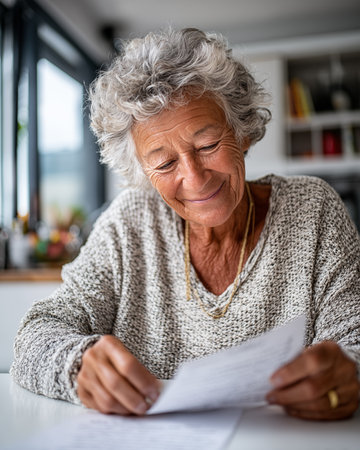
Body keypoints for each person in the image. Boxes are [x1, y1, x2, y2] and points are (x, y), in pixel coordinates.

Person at [11, 28, 359, 421]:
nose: (195, 178)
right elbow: (37, 333)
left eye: (208, 145)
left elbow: (355, 340)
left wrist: (350, 375)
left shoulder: (312, 210)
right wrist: (78, 366)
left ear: (242, 133)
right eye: (165, 163)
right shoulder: (129, 223)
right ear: (143, 172)